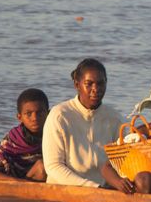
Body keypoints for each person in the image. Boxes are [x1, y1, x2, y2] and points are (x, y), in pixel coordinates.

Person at [42, 58, 130, 191]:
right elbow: (53, 167)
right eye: (89, 84)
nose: (96, 89)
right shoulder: (59, 115)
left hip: (104, 193)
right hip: (62, 191)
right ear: (77, 85)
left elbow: (125, 162)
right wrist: (93, 187)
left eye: (100, 83)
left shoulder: (116, 119)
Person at [0, 88, 49, 182]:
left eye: (40, 113)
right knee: (41, 166)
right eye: (28, 114)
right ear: (19, 117)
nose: (34, 118)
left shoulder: (53, 135)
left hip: (38, 178)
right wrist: (16, 181)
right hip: (18, 181)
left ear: (48, 113)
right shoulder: (13, 140)